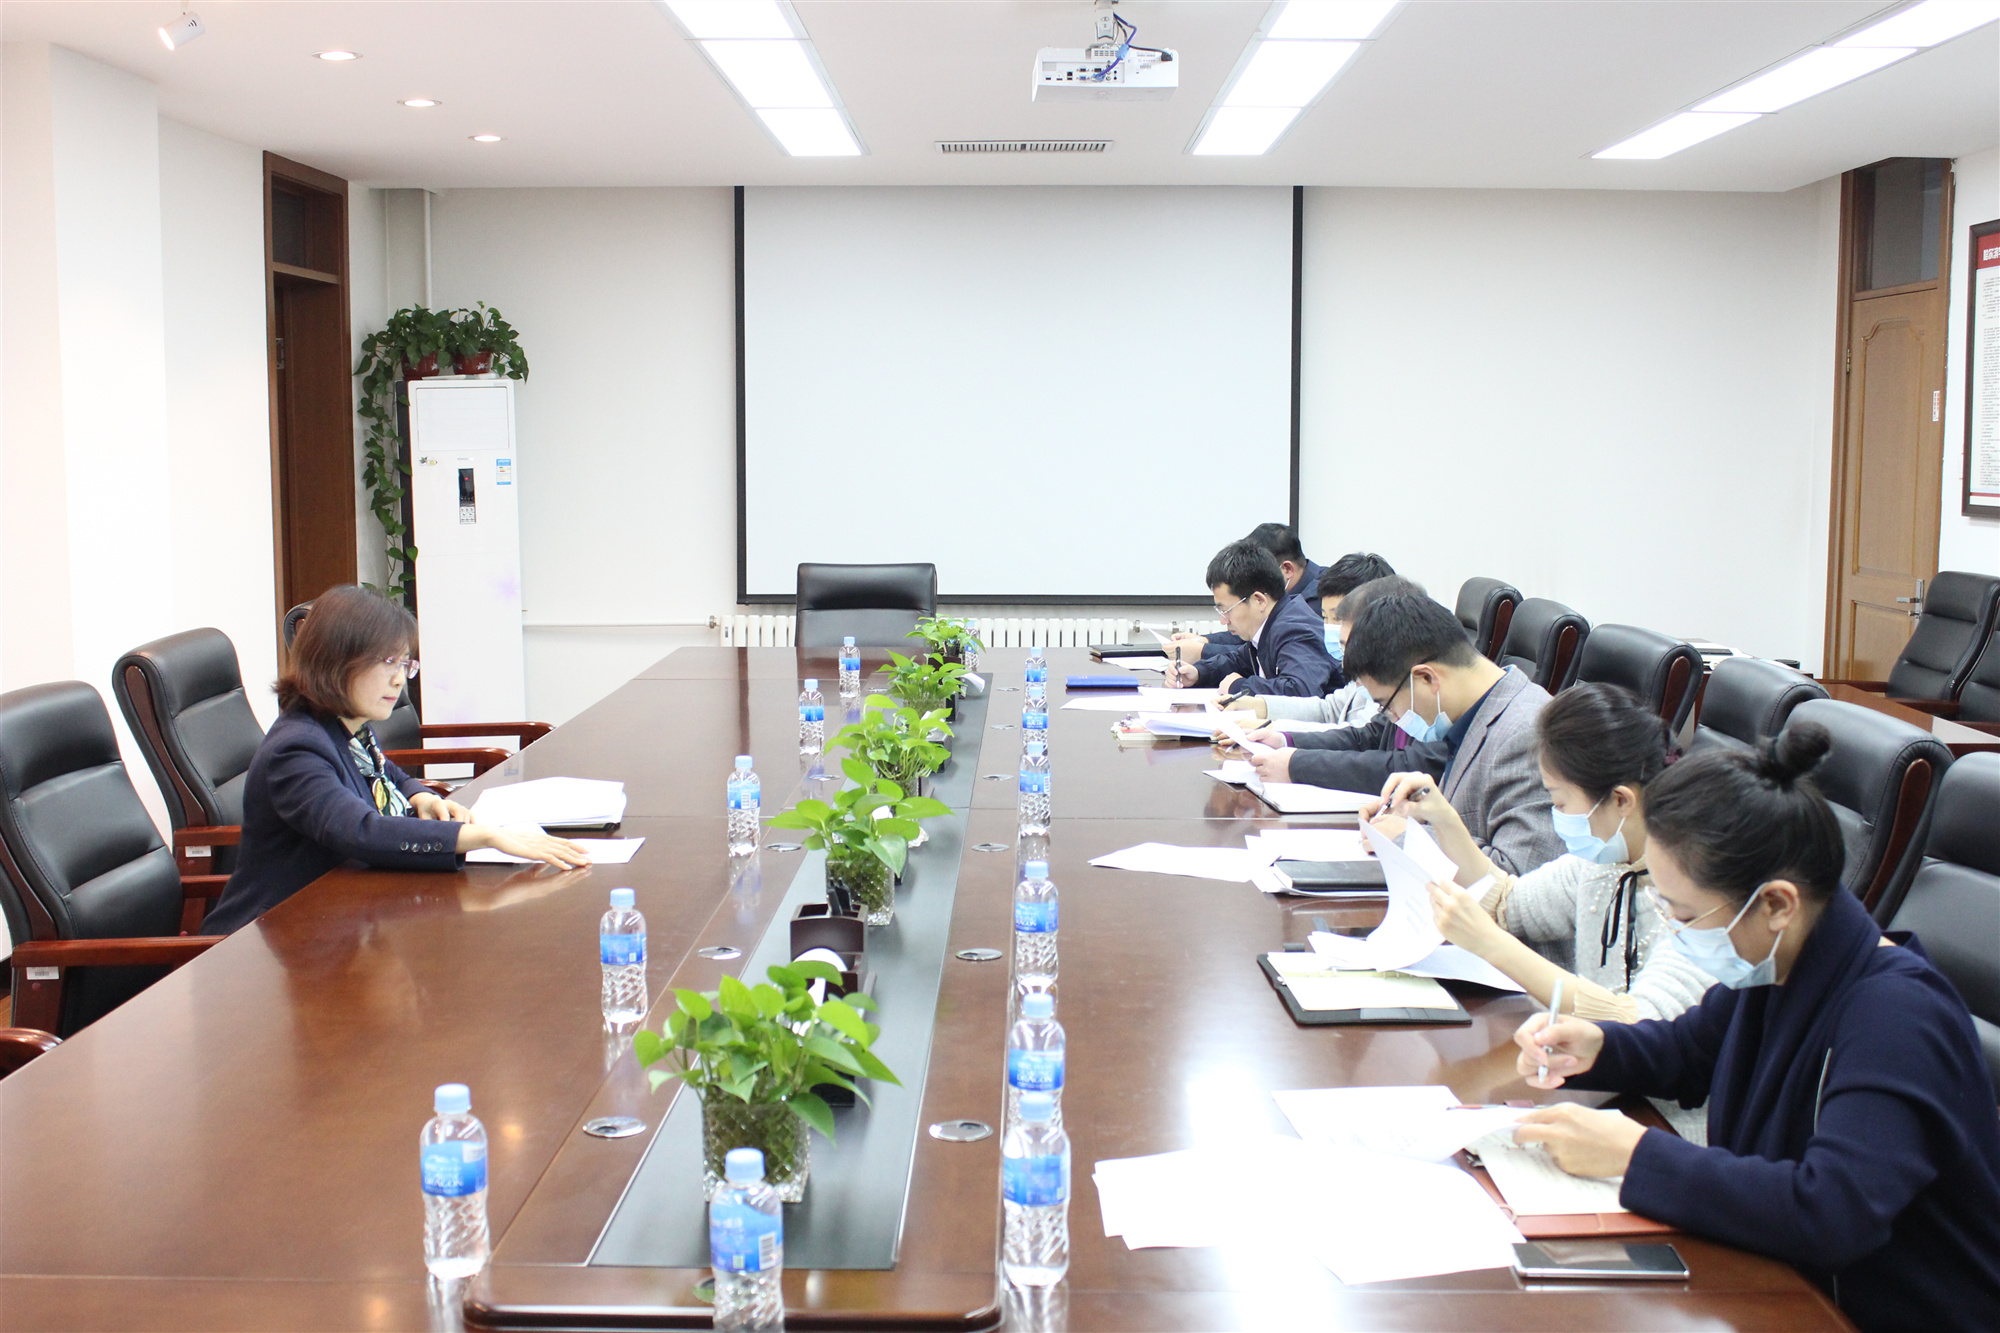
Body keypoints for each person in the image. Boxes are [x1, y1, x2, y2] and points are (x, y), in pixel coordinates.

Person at [1510, 725, 2000, 1333]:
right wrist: (1596, 1046)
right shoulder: (1783, 962)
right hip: (1780, 1281)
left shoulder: (1897, 1018)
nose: (1676, 930)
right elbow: (1688, 1052)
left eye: (1685, 914)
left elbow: (1832, 1211)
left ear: (1776, 904)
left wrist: (1637, 1156)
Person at [1370, 684, 1716, 1135]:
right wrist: (1443, 818)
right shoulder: (1605, 860)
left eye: (1560, 803)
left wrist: (1491, 945)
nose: (1558, 815)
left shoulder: (1697, 895)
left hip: (1669, 1124)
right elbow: (1507, 903)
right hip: (1605, 1095)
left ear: (1620, 800)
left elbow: (1638, 1027)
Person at [204, 586, 590, 934]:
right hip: (268, 941)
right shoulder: (297, 749)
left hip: (334, 919)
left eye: (405, 664)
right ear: (337, 661)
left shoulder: (345, 726)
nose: (399, 679)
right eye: (388, 662)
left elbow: (383, 772)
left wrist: (418, 793)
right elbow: (360, 830)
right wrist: (488, 837)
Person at [1256, 591, 1563, 875]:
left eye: (1386, 705)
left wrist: (1411, 837)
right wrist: (1416, 814)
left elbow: (1518, 879)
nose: (1393, 718)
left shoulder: (1527, 734)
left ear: (1427, 678)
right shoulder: (1470, 714)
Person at [1224, 553, 1397, 735]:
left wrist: (1274, 729)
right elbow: (1328, 710)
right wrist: (1259, 705)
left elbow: (1359, 736)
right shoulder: (1362, 669)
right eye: (1325, 617)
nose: (1330, 628)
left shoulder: (1393, 675)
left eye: (1338, 618)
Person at [1161, 539, 1333, 698]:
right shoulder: (1270, 625)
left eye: (1227, 610)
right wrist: (1198, 673)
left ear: (1259, 601)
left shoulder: (1295, 629)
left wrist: (1238, 686)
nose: (1223, 620)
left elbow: (1300, 691)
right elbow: (1238, 661)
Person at [1166, 522, 1325, 662]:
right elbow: (1252, 636)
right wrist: (1204, 641)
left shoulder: (1323, 598)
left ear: (1287, 569)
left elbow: (1263, 650)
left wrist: (1203, 651)